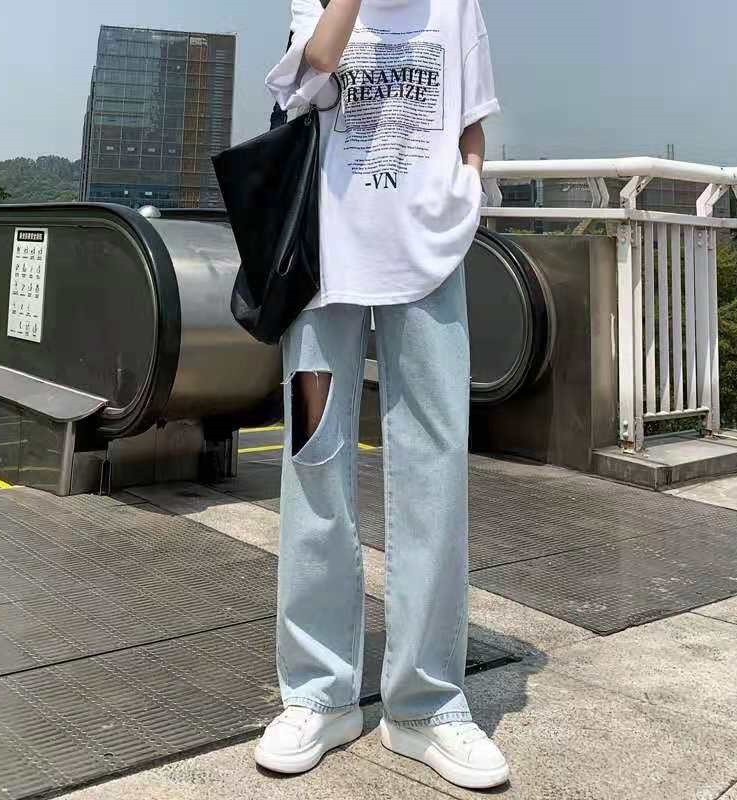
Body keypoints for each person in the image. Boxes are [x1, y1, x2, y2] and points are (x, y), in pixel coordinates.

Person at [254, 0, 508, 789]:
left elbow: (472, 115)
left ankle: (426, 704)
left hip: (428, 260)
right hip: (319, 274)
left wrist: (468, 187)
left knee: (435, 471)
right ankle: (318, 693)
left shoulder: (456, 5)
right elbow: (311, 77)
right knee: (313, 464)